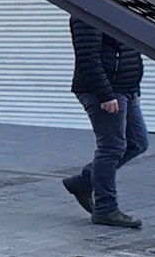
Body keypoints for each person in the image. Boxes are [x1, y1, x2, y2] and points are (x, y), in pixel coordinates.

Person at [63, 17, 147, 229]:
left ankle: (84, 181)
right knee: (112, 147)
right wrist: (105, 95)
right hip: (103, 91)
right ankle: (105, 209)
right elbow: (87, 59)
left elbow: (131, 49)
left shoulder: (113, 9)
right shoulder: (85, 13)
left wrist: (134, 88)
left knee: (137, 143)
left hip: (125, 88)